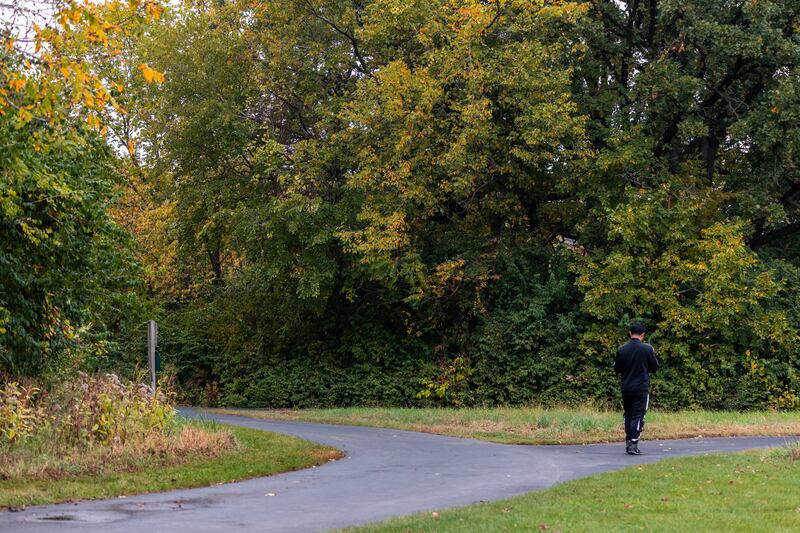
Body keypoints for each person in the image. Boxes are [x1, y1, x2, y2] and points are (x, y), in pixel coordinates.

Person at [614, 321, 659, 455]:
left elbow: (617, 368)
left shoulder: (622, 349)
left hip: (626, 387)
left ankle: (628, 441)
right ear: (643, 335)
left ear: (630, 333)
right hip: (641, 388)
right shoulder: (647, 349)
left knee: (628, 414)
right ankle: (634, 443)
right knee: (638, 416)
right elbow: (654, 367)